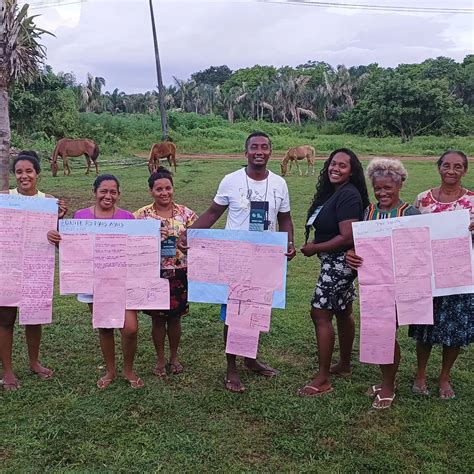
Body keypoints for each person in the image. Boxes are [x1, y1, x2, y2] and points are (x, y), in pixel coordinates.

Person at [178, 131, 296, 393]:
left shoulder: (279, 184)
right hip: (235, 257)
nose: (259, 151)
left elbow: (285, 218)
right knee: (234, 313)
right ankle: (231, 368)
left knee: (256, 309)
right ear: (246, 152)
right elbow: (213, 213)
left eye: (264, 147)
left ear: (270, 153)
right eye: (254, 147)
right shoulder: (231, 181)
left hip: (264, 258)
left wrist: (289, 242)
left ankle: (251, 359)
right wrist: (191, 234)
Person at [47, 174, 144, 389]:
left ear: (119, 194)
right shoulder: (81, 216)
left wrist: (157, 237)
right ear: (95, 192)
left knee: (130, 329)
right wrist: (57, 237)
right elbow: (72, 250)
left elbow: (139, 248)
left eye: (113, 192)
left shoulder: (128, 218)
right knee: (105, 326)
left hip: (123, 281)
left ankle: (128, 369)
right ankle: (110, 370)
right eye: (104, 191)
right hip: (94, 282)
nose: (108, 196)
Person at [346, 158, 419, 409]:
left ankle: (388, 385)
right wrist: (352, 253)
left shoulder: (410, 213)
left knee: (387, 333)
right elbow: (362, 243)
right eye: (378, 188)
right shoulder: (369, 211)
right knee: (379, 331)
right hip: (373, 284)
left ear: (400, 185)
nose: (382, 192)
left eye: (388, 187)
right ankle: (386, 380)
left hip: (399, 285)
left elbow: (419, 250)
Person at [298, 148, 369, 397]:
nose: (335, 168)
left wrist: (315, 247)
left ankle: (323, 377)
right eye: (332, 164)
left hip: (339, 261)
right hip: (336, 261)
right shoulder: (336, 193)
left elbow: (347, 236)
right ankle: (345, 365)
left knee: (320, 313)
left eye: (342, 165)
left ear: (352, 171)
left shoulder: (348, 195)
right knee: (343, 309)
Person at [408, 150, 474, 399]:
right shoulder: (423, 199)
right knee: (425, 327)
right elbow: (411, 235)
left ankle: (444, 376)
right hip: (427, 275)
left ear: (464, 170)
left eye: (458, 167)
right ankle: (421, 374)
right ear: (439, 167)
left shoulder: (473, 201)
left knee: (454, 330)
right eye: (446, 165)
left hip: (459, 277)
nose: (451, 170)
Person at [0, 151, 67, 391]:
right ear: (14, 175)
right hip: (7, 267)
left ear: (38, 173)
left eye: (29, 171)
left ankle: (34, 362)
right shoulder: (5, 198)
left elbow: (59, 239)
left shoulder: (49, 201)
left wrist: (57, 227)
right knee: (5, 319)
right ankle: (8, 371)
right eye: (19, 172)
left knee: (34, 317)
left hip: (36, 267)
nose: (24, 176)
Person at [134, 167, 197, 377]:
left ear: (173, 188)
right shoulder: (140, 216)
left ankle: (174, 357)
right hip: (154, 273)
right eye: (158, 189)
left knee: (176, 319)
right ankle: (160, 359)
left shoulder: (186, 214)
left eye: (168, 188)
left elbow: (200, 240)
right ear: (151, 191)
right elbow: (130, 243)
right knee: (158, 319)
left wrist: (189, 242)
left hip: (180, 274)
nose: (164, 193)